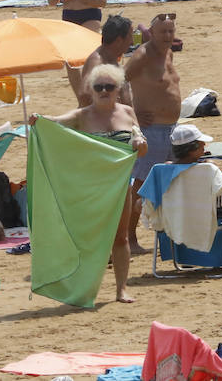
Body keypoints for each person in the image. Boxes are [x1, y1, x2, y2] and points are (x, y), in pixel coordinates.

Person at [34, 65, 147, 302]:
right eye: (99, 87)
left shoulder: (127, 112)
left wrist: (140, 144)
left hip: (119, 186)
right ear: (91, 90)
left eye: (110, 87)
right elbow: (55, 123)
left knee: (121, 237)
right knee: (86, 238)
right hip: (89, 188)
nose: (104, 91)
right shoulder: (82, 115)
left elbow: (140, 143)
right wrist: (39, 120)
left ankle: (121, 289)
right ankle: (80, 288)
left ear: (118, 89)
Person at [124, 11, 182, 253]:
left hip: (171, 130)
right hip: (151, 130)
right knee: (139, 184)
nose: (168, 36)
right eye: (163, 32)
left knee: (169, 182)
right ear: (152, 33)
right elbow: (118, 81)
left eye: (171, 31)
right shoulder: (142, 55)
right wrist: (132, 112)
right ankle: (129, 239)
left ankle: (167, 234)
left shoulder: (168, 53)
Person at [77, 15, 133, 106]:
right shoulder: (97, 61)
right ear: (119, 41)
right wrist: (110, 110)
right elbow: (84, 94)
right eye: (130, 36)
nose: (132, 41)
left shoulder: (110, 57)